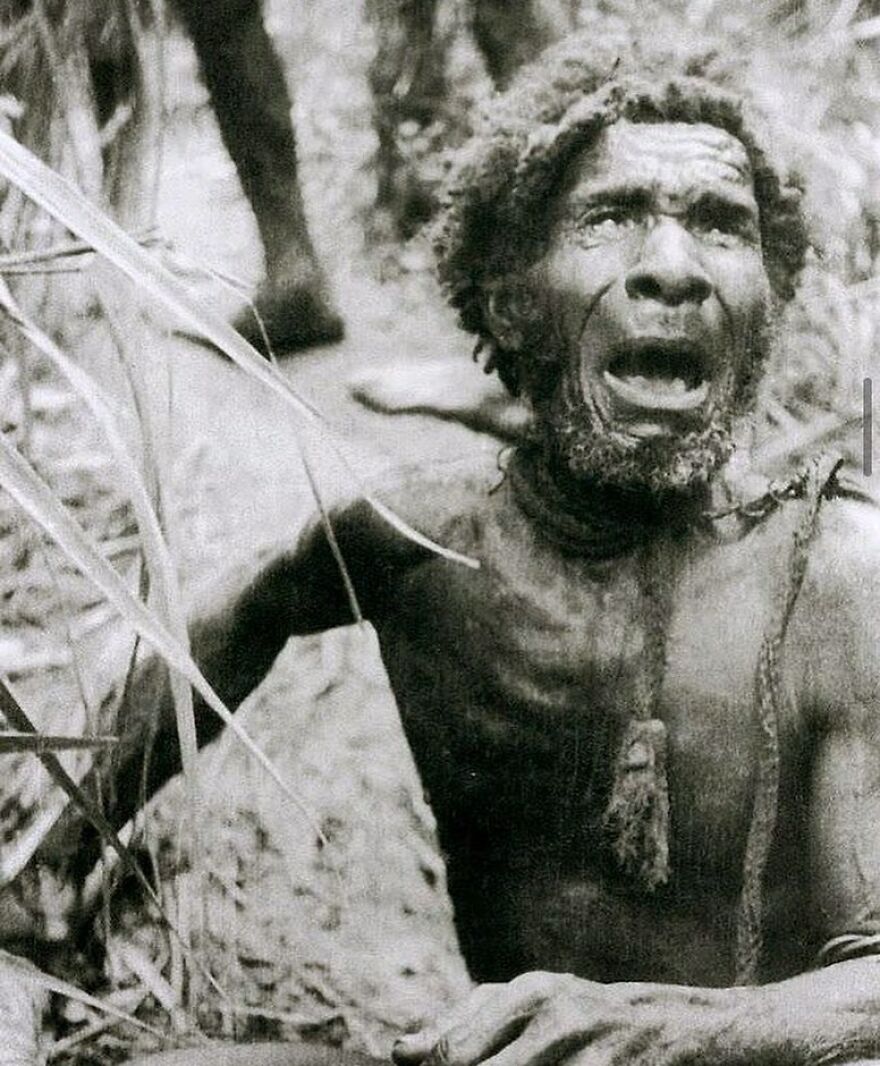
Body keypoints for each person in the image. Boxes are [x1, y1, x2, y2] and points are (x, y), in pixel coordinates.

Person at [51, 27, 880, 1066]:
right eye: (613, 216)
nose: (671, 265)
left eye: (720, 224)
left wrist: (680, 1028)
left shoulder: (840, 576)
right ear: (510, 300)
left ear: (764, 312)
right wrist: (53, 854)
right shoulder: (418, 542)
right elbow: (240, 612)